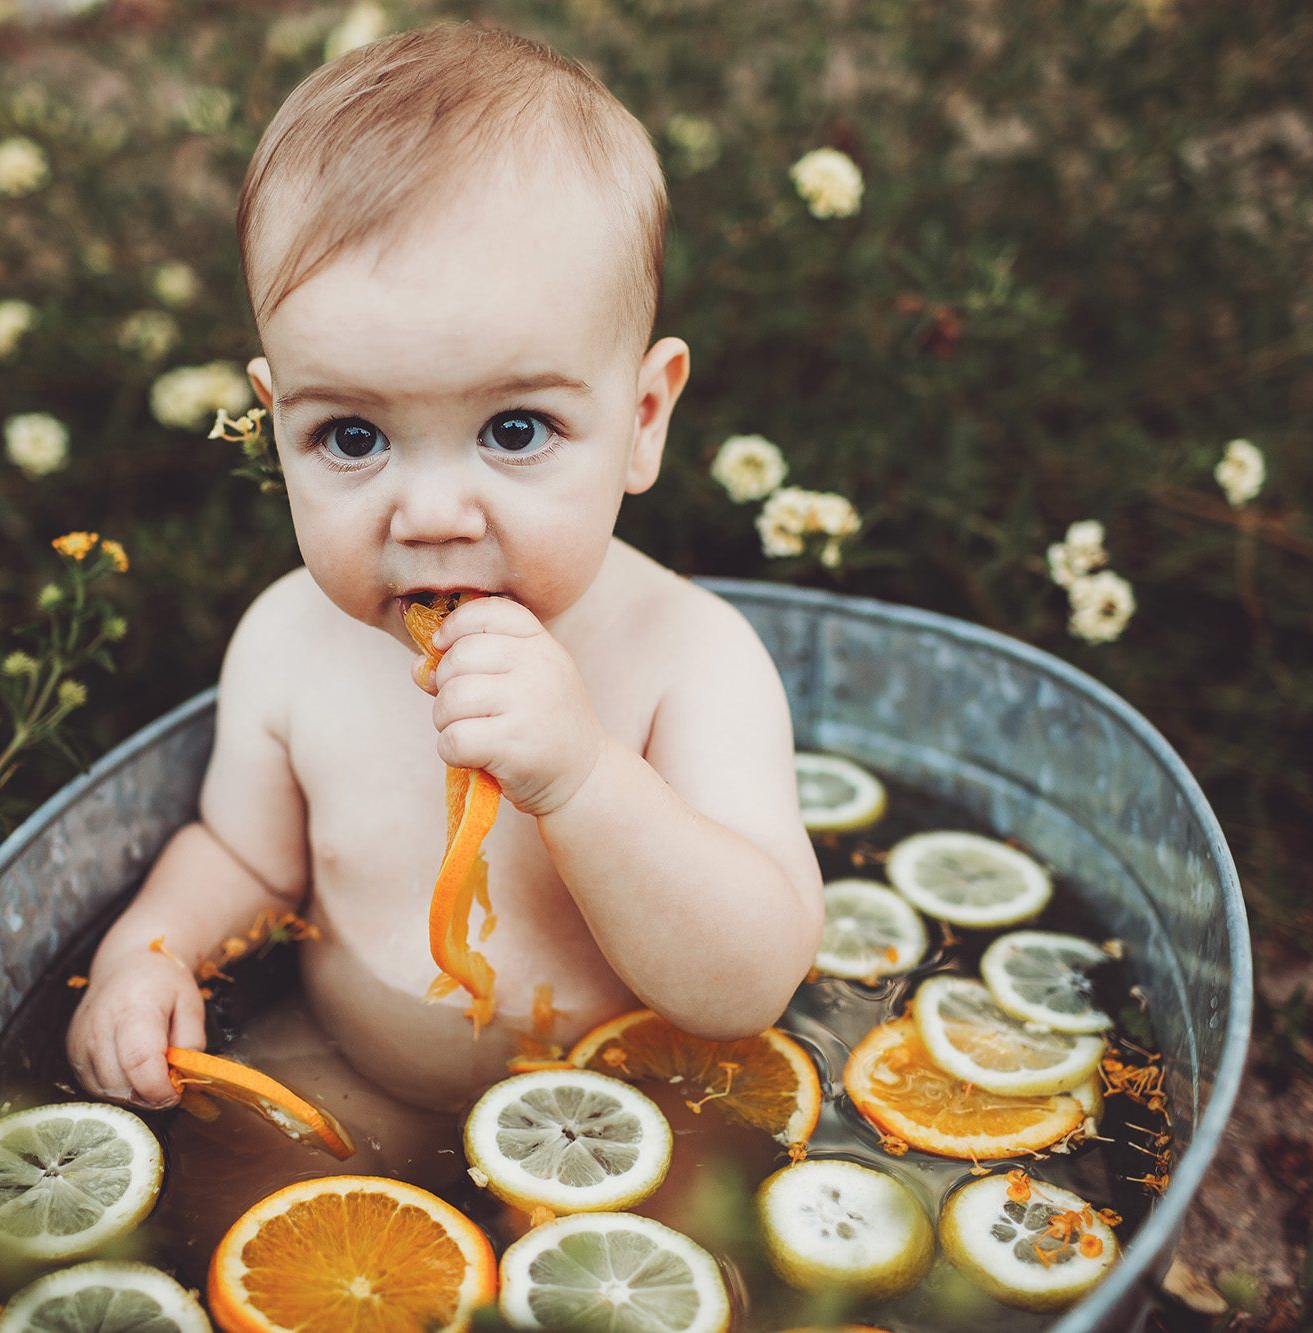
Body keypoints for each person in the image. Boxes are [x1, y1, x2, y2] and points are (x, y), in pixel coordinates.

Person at [67, 21, 823, 1128]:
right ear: (278, 427)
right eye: (353, 437)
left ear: (641, 421)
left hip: (634, 1118)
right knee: (249, 1167)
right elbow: (245, 856)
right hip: (356, 1073)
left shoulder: (688, 660)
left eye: (515, 429)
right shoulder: (287, 644)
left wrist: (580, 779)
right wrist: (147, 952)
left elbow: (749, 978)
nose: (426, 516)